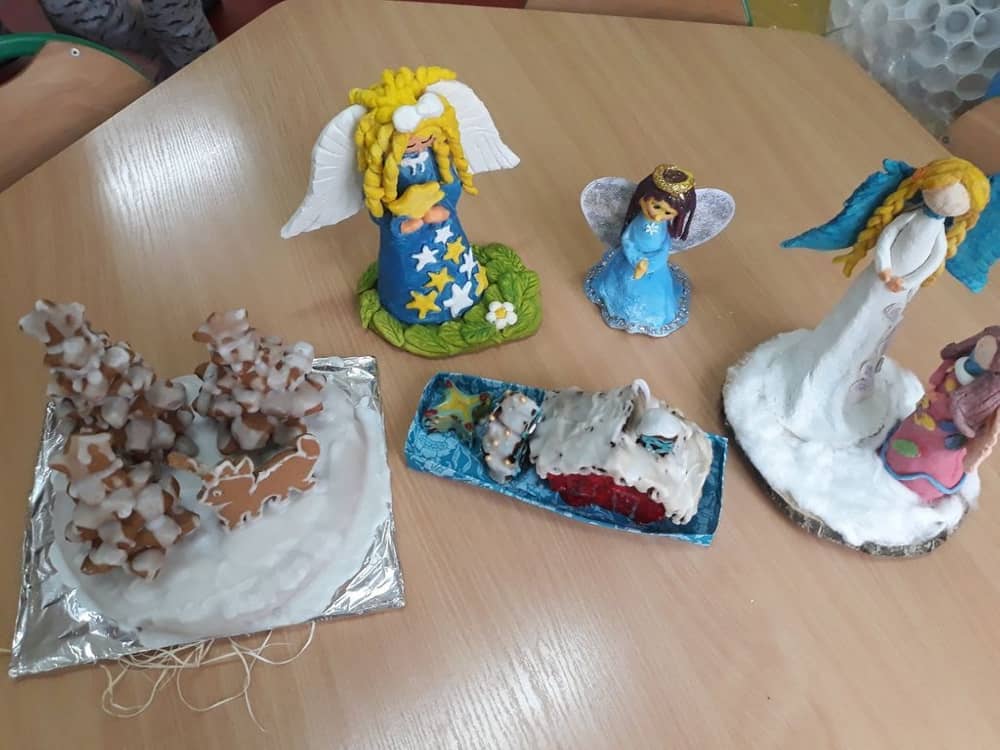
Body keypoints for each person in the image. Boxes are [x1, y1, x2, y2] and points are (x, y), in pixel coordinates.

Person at [778, 158, 990, 444]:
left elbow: (930, 264)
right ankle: (821, 362)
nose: (945, 200)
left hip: (899, 292)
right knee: (854, 313)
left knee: (874, 329)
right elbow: (887, 239)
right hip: (877, 280)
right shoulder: (910, 218)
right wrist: (884, 269)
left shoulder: (939, 236)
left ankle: (850, 383)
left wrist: (907, 281)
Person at [881, 327, 1000, 503]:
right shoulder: (957, 366)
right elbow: (938, 379)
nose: (980, 348)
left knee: (931, 448)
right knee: (914, 435)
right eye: (981, 343)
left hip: (941, 446)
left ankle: (917, 478)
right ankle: (900, 459)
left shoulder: (978, 402)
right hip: (921, 421)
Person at [586, 164, 697, 334]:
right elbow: (628, 241)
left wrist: (652, 263)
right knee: (627, 287)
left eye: (668, 213)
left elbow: (664, 246)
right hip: (631, 262)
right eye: (656, 206)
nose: (658, 216)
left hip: (654, 267)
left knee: (655, 297)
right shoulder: (637, 223)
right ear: (643, 198)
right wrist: (637, 260)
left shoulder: (663, 226)